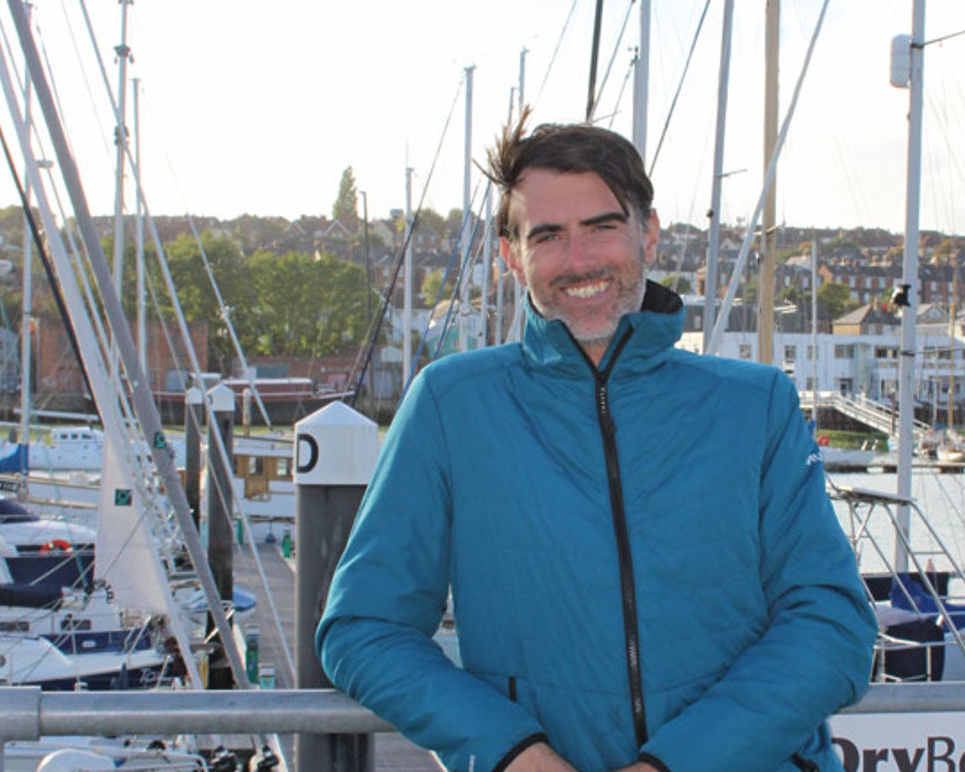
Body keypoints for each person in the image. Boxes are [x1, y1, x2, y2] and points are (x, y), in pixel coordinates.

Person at [316, 113, 876, 772]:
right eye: (548, 235)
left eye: (603, 227)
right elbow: (364, 630)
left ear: (650, 231)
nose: (579, 261)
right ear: (510, 255)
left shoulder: (756, 405)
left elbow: (834, 626)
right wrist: (512, 751)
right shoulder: (450, 405)